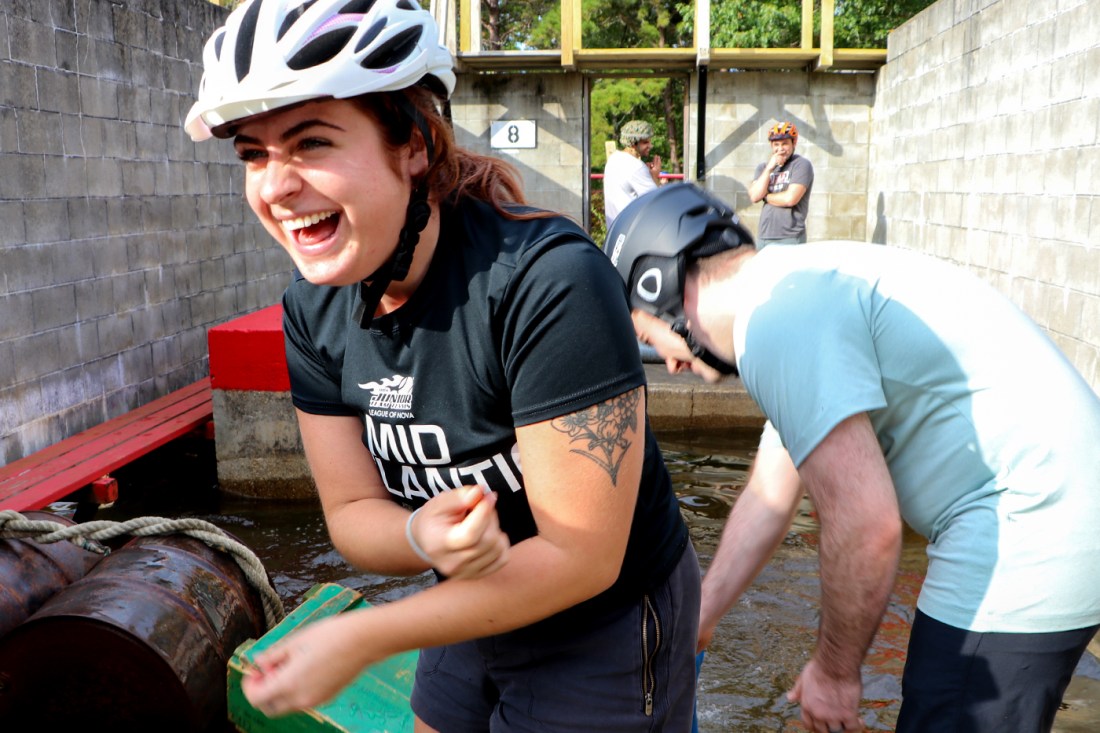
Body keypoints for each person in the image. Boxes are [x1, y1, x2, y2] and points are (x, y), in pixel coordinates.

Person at [184, 1, 700, 730]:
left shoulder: (546, 283)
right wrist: (418, 536)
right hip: (468, 597)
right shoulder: (313, 310)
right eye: (254, 154)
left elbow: (582, 557)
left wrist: (361, 635)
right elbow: (353, 511)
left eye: (311, 143)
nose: (274, 186)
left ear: (415, 145)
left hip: (605, 619)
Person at [604, 183, 1100, 733]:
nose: (665, 364)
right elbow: (771, 495)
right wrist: (704, 612)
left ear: (661, 289)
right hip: (1061, 510)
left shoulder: (777, 321)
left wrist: (835, 673)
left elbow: (867, 526)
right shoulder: (790, 289)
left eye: (645, 334)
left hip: (1031, 529)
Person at [748, 121, 814, 247]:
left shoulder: (801, 165)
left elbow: (790, 199)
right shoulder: (764, 168)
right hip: (764, 236)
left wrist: (766, 196)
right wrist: (769, 169)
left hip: (790, 237)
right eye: (776, 144)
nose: (780, 149)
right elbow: (755, 196)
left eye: (785, 144)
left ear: (794, 143)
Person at [603, 119, 663, 228]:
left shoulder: (613, 159)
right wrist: (654, 176)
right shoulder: (637, 167)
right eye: (645, 142)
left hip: (613, 231)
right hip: (631, 233)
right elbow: (657, 202)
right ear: (633, 143)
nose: (650, 145)